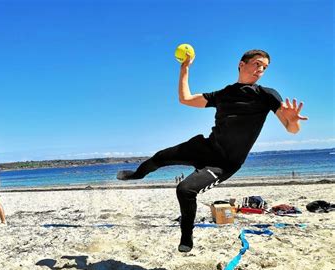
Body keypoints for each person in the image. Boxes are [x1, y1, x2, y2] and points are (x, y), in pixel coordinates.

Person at [117, 49, 308, 252]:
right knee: (161, 157)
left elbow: (291, 128)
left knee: (184, 190)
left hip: (224, 163)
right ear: (241, 64)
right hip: (205, 147)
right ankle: (137, 174)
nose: (260, 69)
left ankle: (186, 236)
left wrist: (294, 121)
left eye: (264, 67)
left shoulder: (266, 95)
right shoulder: (223, 94)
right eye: (257, 64)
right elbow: (185, 99)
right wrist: (184, 68)